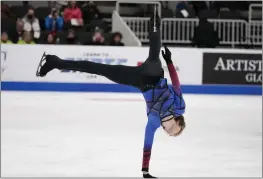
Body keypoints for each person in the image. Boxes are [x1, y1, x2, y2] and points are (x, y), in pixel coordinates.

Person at [36, 11, 186, 178]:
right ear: (179, 123)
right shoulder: (180, 107)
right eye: (176, 132)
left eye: (173, 134)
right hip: (155, 75)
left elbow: (147, 145)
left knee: (99, 69)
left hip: (139, 82)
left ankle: (54, 62)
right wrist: (170, 62)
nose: (172, 134)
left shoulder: (154, 123)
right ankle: (155, 25)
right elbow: (177, 84)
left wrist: (145, 171)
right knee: (154, 55)